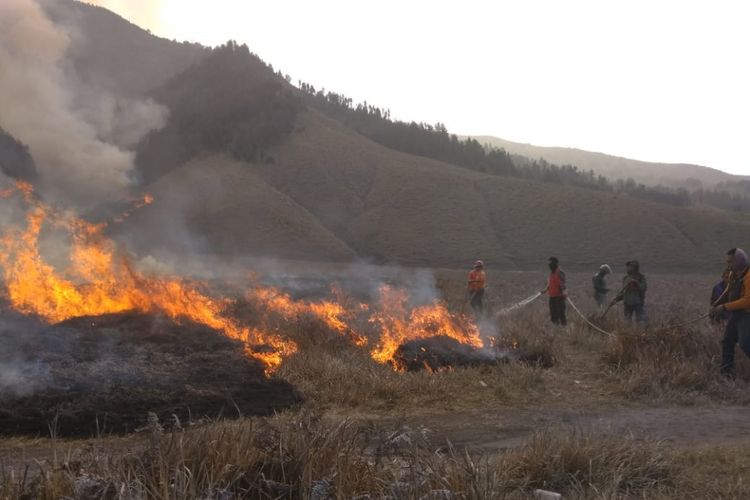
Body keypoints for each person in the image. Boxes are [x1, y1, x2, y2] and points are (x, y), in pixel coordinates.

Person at [711, 248, 750, 378]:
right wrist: (715, 306)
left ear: (739, 260)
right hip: (736, 314)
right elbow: (727, 292)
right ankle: (726, 373)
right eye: (727, 261)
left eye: (730, 261)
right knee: (727, 341)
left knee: (745, 343)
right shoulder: (733, 274)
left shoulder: (749, 275)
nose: (728, 264)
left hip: (747, 314)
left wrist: (724, 307)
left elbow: (747, 301)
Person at [541, 256, 567, 325]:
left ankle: (564, 330)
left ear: (555, 263)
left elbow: (563, 283)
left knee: (561, 314)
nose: (549, 265)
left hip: (559, 297)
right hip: (552, 297)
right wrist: (545, 290)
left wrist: (564, 292)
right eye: (549, 264)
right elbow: (550, 283)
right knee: (553, 316)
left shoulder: (560, 272)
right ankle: (556, 330)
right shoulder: (551, 273)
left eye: (551, 263)